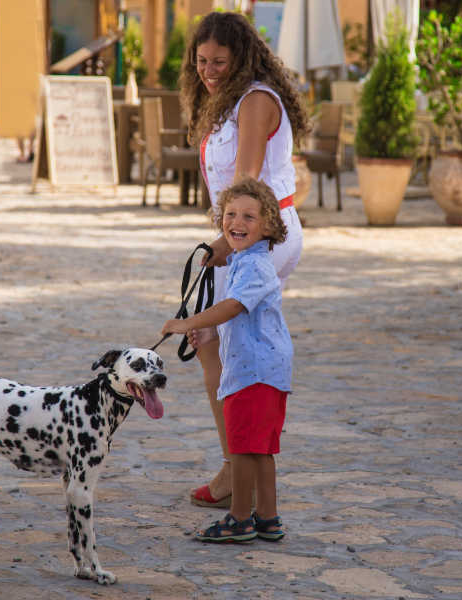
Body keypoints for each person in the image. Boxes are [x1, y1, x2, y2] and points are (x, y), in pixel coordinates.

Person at [179, 10, 309, 508]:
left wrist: (223, 241)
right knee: (213, 345)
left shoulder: (255, 101)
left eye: (219, 61)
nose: (209, 70)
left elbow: (247, 181)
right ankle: (236, 465)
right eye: (202, 61)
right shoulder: (226, 102)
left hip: (262, 236)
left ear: (241, 58)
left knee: (231, 350)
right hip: (241, 233)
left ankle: (243, 476)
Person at [162, 177, 291, 542]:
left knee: (243, 448)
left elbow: (232, 306)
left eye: (250, 217)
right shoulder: (246, 261)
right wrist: (209, 334)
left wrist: (189, 321)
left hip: (252, 372)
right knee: (261, 449)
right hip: (267, 369)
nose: (237, 222)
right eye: (230, 214)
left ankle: (239, 519)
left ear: (268, 226)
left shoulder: (252, 266)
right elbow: (244, 315)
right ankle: (267, 517)